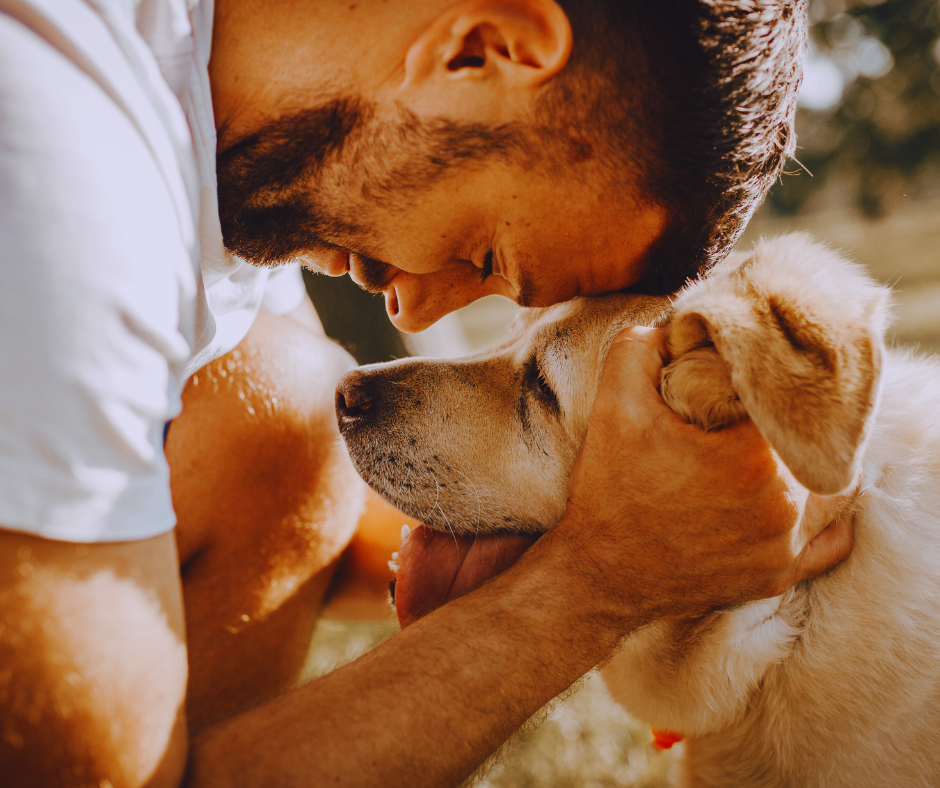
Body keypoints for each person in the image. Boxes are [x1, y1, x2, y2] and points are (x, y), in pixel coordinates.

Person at [0, 0, 854, 786]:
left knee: (283, 408)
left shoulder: (198, 113)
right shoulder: (56, 164)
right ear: (484, 50)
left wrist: (662, 519)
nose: (411, 305)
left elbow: (317, 526)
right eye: (485, 254)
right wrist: (598, 584)